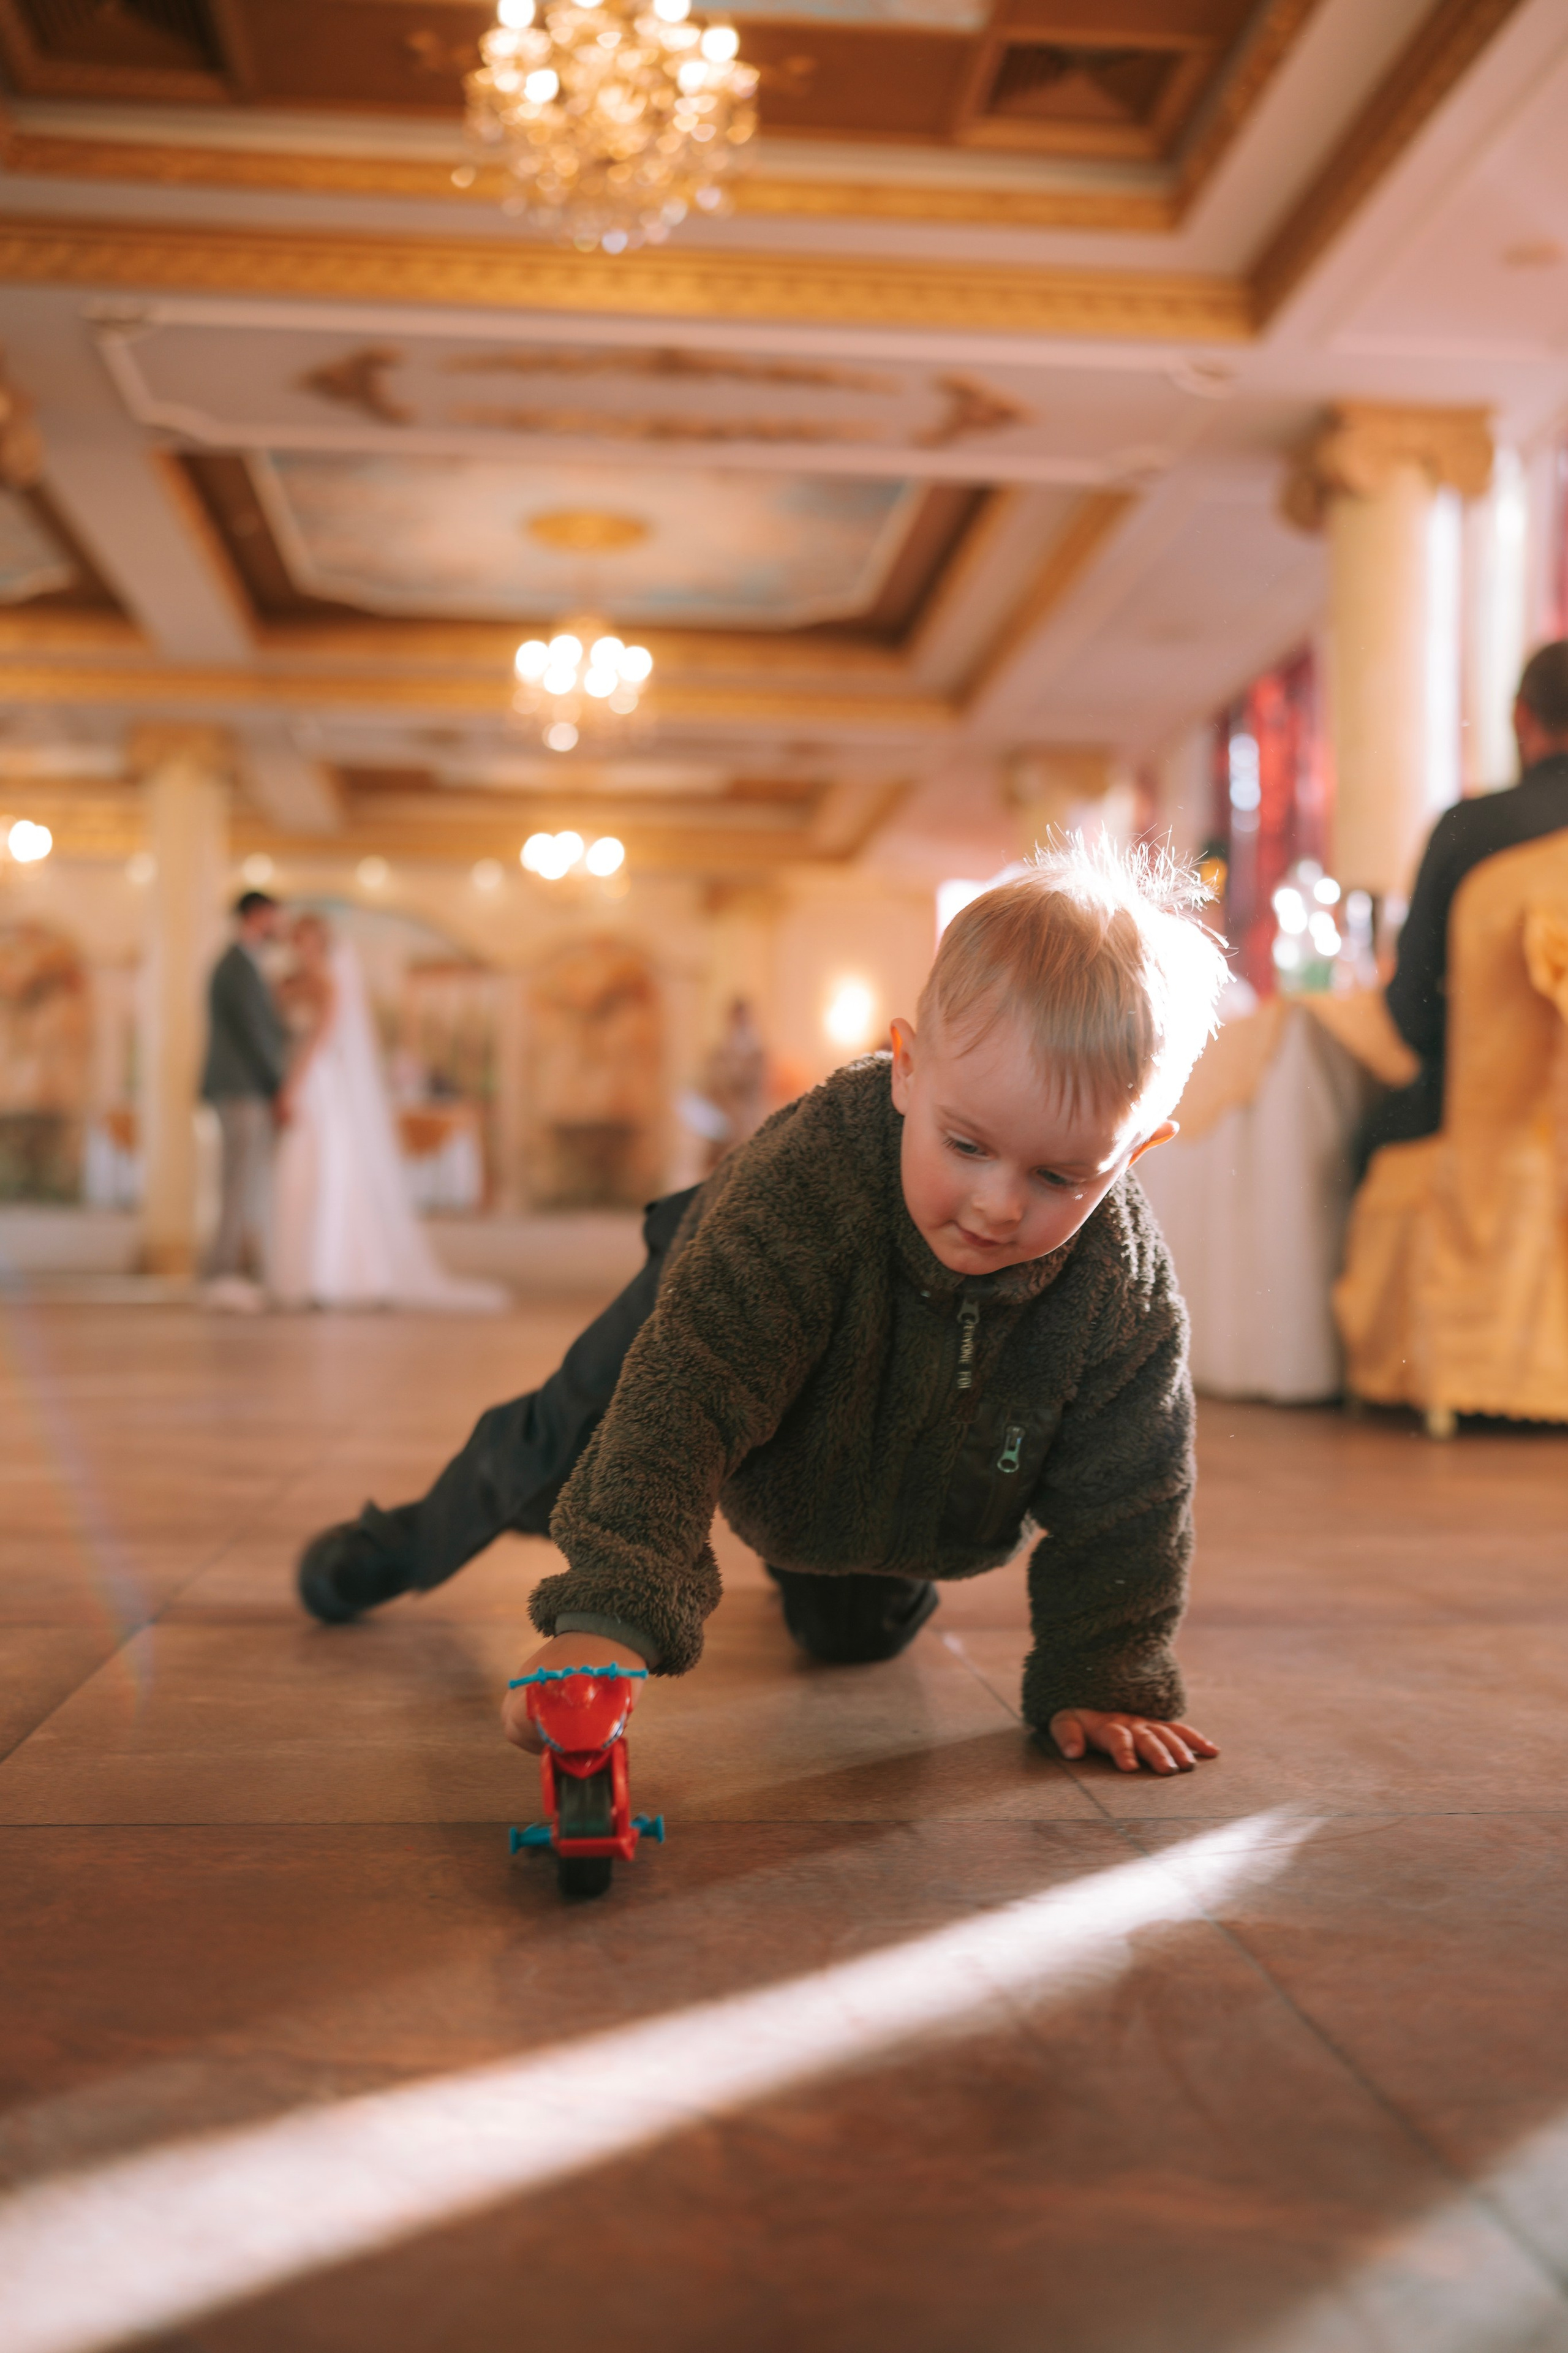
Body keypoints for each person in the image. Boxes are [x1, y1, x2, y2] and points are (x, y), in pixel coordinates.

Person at [299, 838, 1229, 1778]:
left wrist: (1106, 1668)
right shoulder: (805, 1186)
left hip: (861, 1464)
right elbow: (688, 1395)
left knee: (853, 1640)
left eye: (1060, 1175)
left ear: (1135, 1155)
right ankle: (406, 1539)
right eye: (967, 1145)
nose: (999, 1205)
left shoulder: (1120, 1286)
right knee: (559, 1442)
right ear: (905, 1068)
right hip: (715, 1291)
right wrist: (611, 1615)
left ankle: (808, 1546)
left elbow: (1135, 1490)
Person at [1359, 638, 1568, 1171]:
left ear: (1521, 717)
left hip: (1487, 1134)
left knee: (1363, 1145)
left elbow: (1411, 1012)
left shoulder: (1468, 832)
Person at [268, 912, 505, 1313]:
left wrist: (293, 1086)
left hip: (316, 1082)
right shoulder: (290, 983)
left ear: (321, 944)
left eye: (307, 941)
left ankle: (335, 1270)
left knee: (329, 1171)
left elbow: (320, 1041)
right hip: (300, 1075)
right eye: (296, 941)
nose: (300, 948)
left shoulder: (327, 982)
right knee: (299, 1172)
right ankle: (298, 1270)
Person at [200, 889, 289, 1312]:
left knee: (242, 1181)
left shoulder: (245, 963)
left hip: (244, 1086)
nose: (279, 925)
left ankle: (233, 1268)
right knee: (236, 1182)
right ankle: (223, 1274)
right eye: (274, 916)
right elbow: (256, 1034)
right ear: (257, 915)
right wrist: (281, 1086)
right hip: (241, 1088)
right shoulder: (236, 965)